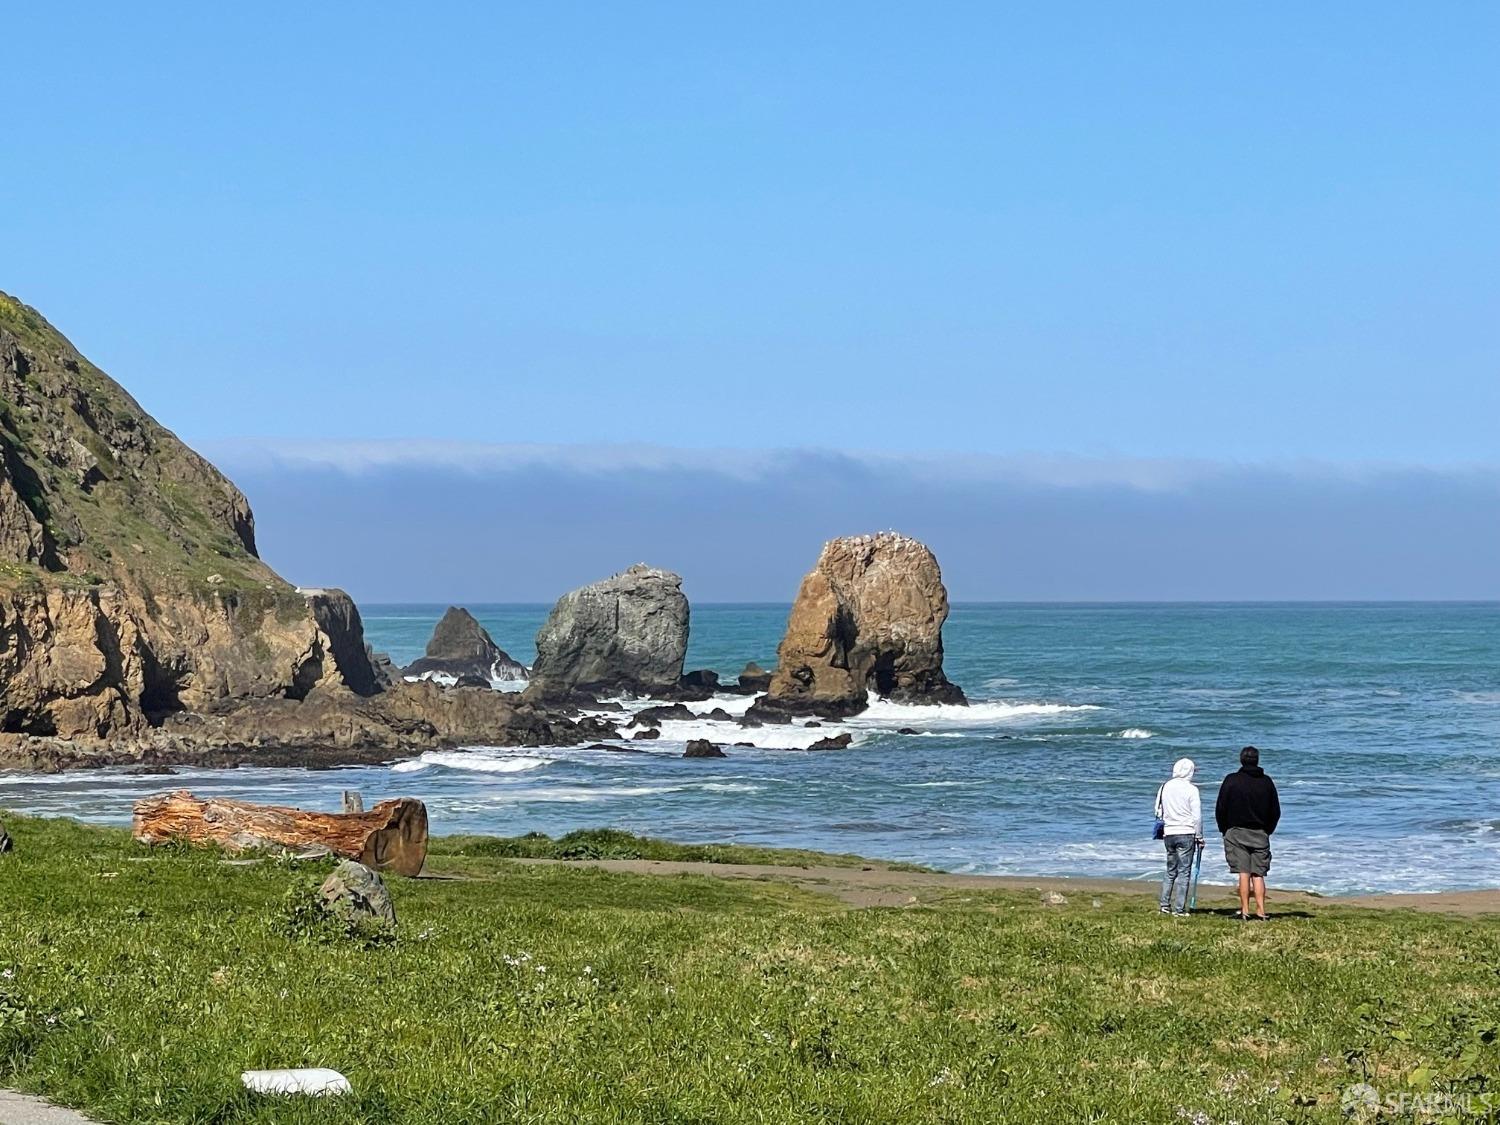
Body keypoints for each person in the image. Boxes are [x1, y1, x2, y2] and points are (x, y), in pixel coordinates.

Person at [1215, 745, 1281, 920]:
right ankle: (1261, 911)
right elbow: (1275, 811)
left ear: (1241, 760)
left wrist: (1224, 829)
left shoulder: (1232, 780)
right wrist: (1268, 830)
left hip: (1236, 831)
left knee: (1243, 872)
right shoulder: (1266, 782)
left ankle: (1244, 910)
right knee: (1258, 874)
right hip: (1260, 832)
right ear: (1257, 760)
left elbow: (1221, 807)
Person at [1156, 757, 1202, 915]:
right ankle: (1179, 909)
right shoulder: (1191, 789)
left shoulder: (1165, 786)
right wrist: (1200, 836)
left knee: (1170, 870)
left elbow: (1158, 811)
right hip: (1186, 832)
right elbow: (1196, 816)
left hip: (1169, 832)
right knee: (1184, 871)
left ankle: (1164, 905)